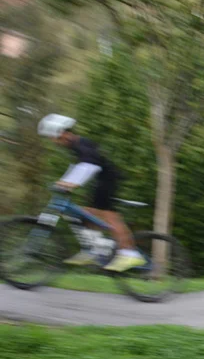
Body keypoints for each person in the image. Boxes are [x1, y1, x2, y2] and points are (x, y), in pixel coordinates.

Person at [37, 114, 145, 271]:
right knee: (85, 214)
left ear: (62, 133)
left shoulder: (82, 144)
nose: (54, 142)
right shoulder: (75, 146)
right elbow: (78, 168)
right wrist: (63, 182)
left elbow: (90, 166)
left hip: (108, 179)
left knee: (110, 216)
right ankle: (94, 250)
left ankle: (130, 253)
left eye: (54, 138)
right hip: (99, 181)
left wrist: (71, 183)